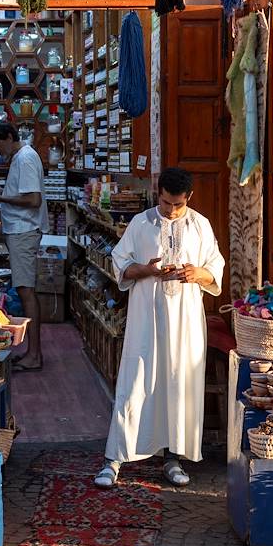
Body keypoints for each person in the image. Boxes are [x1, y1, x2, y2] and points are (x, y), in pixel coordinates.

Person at [94, 167, 224, 489]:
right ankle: (115, 459)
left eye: (177, 205)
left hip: (186, 322)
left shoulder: (200, 226)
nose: (170, 210)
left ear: (188, 198)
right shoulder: (140, 224)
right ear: (158, 194)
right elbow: (120, 262)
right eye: (166, 203)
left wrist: (198, 274)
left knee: (178, 383)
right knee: (135, 381)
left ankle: (173, 457)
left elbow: (215, 268)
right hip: (146, 319)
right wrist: (145, 270)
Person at [0, 123, 48, 372]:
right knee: (24, 289)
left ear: (10, 137)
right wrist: (5, 191)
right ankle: (33, 353)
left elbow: (33, 200)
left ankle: (34, 355)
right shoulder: (21, 158)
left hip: (24, 231)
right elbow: (24, 194)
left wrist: (0, 198)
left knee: (26, 291)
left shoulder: (26, 159)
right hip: (19, 231)